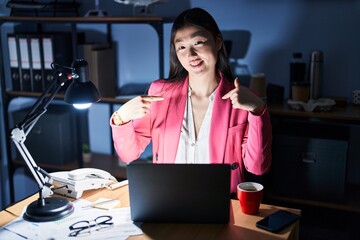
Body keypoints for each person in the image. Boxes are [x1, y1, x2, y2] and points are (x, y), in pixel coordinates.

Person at [110, 7, 272, 194]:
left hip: (222, 203)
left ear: (218, 42)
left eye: (199, 42)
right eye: (181, 47)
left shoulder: (242, 100)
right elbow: (128, 154)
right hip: (167, 198)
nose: (191, 55)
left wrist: (258, 109)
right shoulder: (160, 93)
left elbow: (258, 167)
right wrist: (122, 117)